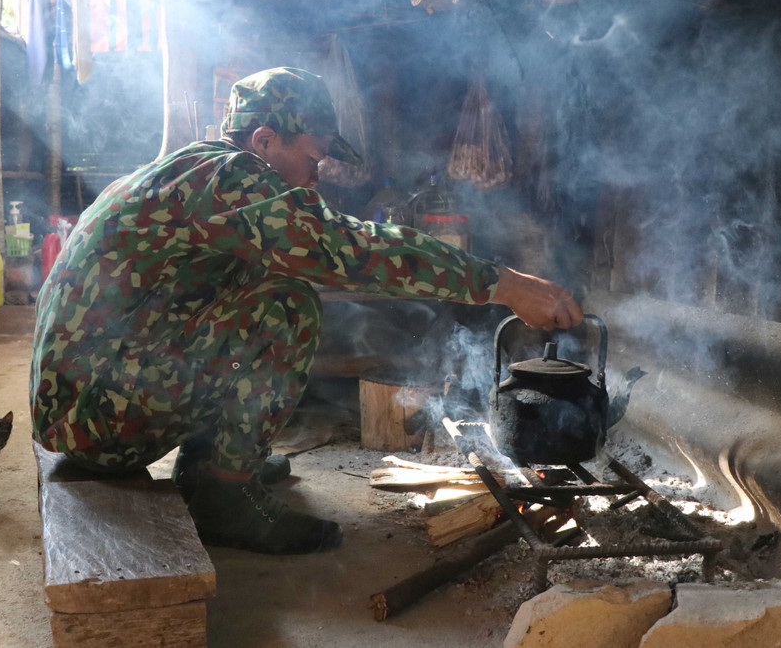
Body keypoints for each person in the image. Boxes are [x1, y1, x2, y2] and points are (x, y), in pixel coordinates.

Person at [30, 66, 583, 555]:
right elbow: (344, 250)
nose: (316, 177)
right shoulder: (230, 181)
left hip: (88, 401)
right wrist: (502, 283)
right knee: (287, 306)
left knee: (271, 283)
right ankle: (221, 494)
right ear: (265, 140)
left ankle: (212, 464)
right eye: (313, 159)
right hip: (97, 426)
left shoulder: (197, 170)